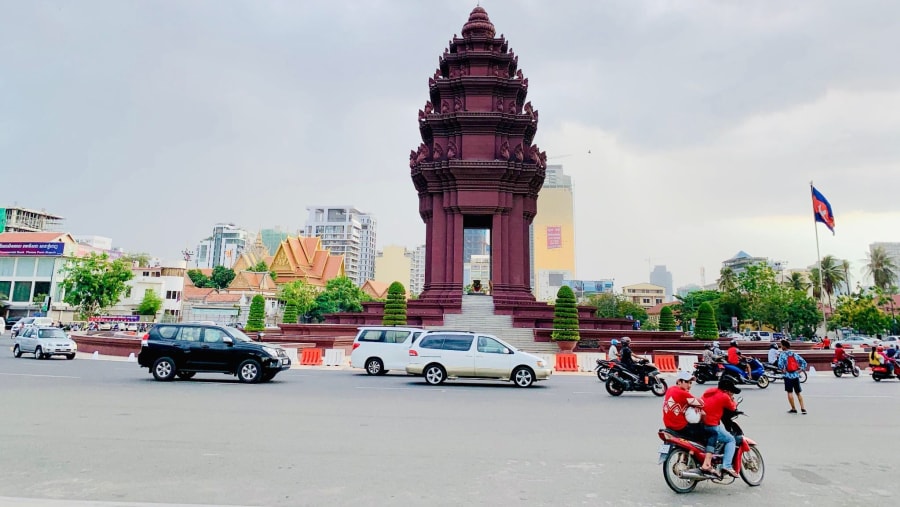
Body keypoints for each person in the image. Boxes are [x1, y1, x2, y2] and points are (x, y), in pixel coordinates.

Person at [662, 371, 715, 472]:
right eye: (687, 382)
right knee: (712, 433)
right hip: (681, 427)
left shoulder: (670, 390)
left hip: (669, 426)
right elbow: (701, 403)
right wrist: (697, 405)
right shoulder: (683, 394)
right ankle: (707, 463)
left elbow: (685, 402)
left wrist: (693, 405)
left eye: (691, 383)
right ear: (679, 382)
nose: (689, 385)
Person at [701, 377, 740, 477]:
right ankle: (727, 466)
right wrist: (733, 400)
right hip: (711, 426)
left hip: (701, 424)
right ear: (727, 391)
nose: (732, 394)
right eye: (732, 392)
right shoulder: (724, 397)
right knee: (731, 440)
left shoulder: (708, 392)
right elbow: (733, 407)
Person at [777, 339, 808, 414]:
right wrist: (800, 370)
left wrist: (782, 370)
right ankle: (803, 408)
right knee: (798, 392)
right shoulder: (794, 354)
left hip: (787, 375)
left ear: (784, 346)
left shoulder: (782, 354)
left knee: (790, 392)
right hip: (795, 375)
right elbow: (804, 362)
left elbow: (780, 365)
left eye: (781, 345)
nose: (780, 346)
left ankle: (793, 408)